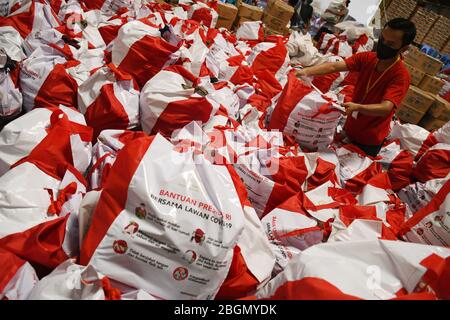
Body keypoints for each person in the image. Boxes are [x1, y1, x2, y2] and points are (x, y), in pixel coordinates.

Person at [296, 18, 416, 157]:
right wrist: (305, 71)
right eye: (382, 38)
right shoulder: (368, 58)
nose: (383, 44)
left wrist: (357, 107)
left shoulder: (400, 75)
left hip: (368, 142)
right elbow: (334, 66)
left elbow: (386, 108)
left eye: (390, 43)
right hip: (350, 129)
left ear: (404, 48)